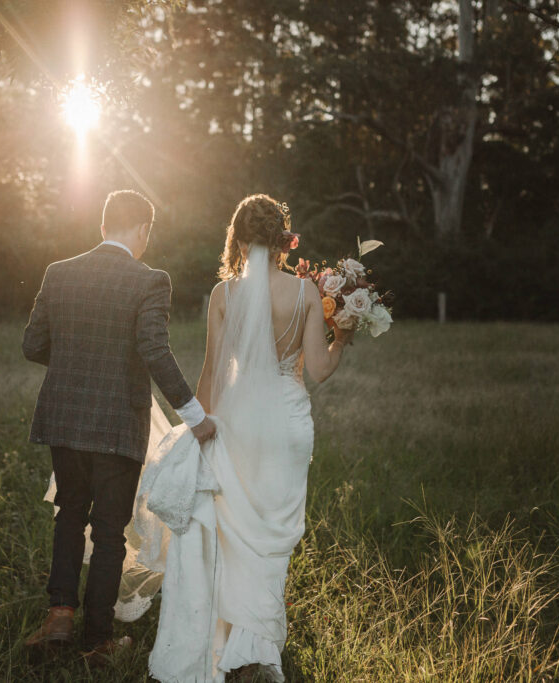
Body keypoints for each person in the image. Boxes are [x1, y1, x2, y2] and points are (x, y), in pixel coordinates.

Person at [140, 194, 353, 682]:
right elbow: (318, 370)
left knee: (235, 536)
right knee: (272, 537)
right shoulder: (304, 294)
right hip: (287, 423)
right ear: (284, 239)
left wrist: (196, 428)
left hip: (235, 422)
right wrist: (344, 336)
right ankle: (256, 645)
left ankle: (239, 641)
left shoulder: (223, 295)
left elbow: (213, 372)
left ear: (237, 237)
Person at [20, 190, 217, 665]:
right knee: (110, 530)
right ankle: (98, 640)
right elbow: (154, 349)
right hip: (117, 423)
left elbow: (32, 344)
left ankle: (60, 615)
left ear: (103, 224)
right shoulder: (150, 280)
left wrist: (74, 366)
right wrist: (195, 416)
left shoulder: (58, 272)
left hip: (65, 417)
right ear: (143, 230)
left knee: (69, 513)